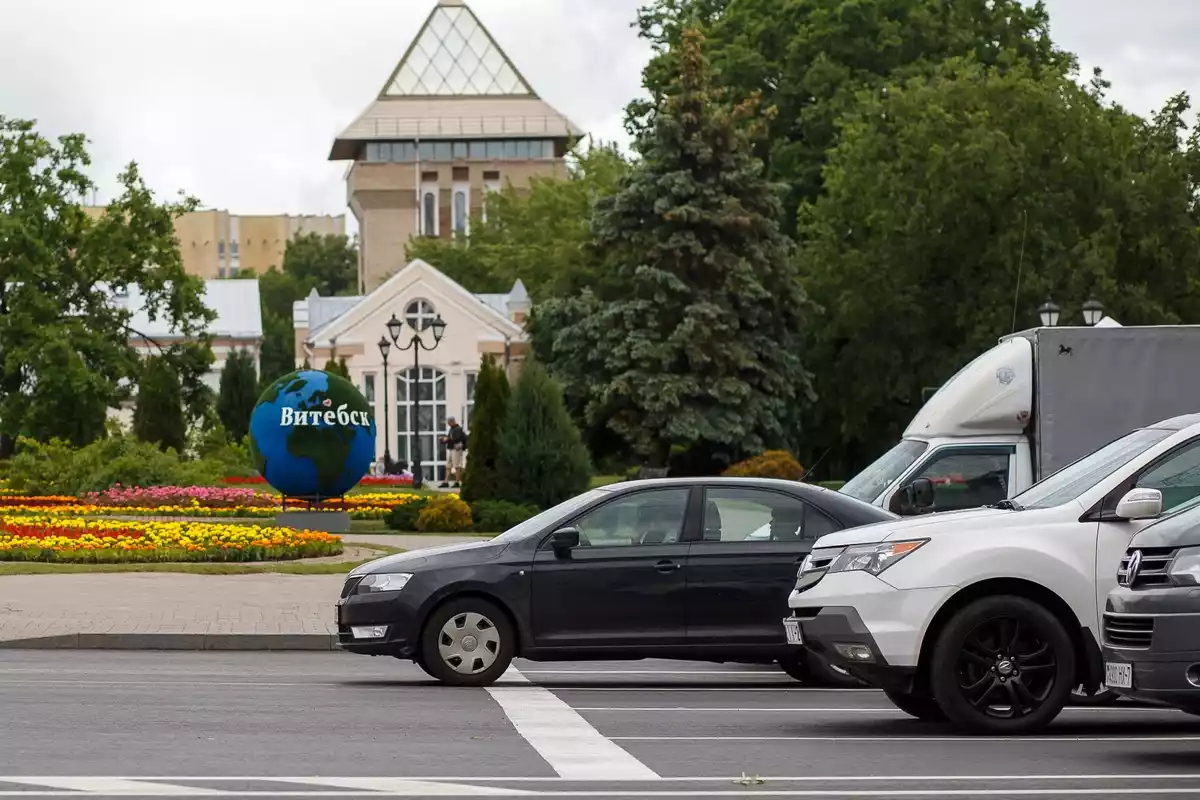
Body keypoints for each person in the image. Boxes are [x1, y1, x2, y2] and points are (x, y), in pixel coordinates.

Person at [440, 417, 468, 489]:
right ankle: (446, 482)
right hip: (451, 448)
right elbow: (450, 438)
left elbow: (457, 439)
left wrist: (448, 439)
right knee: (448, 466)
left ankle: (457, 482)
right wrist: (443, 440)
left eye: (448, 422)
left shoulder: (458, 429)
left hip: (456, 449)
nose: (448, 424)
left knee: (456, 466)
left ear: (452, 421)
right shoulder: (452, 429)